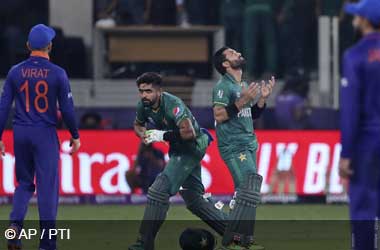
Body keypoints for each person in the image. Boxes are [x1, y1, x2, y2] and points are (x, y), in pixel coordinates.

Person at [0, 24, 81, 250]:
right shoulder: (58, 73)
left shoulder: (15, 72)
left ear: (27, 46)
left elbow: (3, 106)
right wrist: (75, 135)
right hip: (45, 134)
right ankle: (47, 243)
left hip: (21, 132)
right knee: (47, 189)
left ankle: (14, 230)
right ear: (50, 46)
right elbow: (67, 110)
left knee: (24, 185)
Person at [128, 72, 227, 250]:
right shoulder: (143, 105)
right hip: (177, 149)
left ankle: (143, 245)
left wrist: (160, 135)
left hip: (192, 147)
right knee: (194, 199)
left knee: (158, 191)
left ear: (159, 91)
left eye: (148, 91)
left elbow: (189, 134)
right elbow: (138, 124)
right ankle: (235, 235)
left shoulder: (173, 104)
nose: (144, 95)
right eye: (141, 91)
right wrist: (143, 134)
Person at [212, 47, 275, 250]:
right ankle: (236, 239)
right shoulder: (222, 86)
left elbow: (251, 115)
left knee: (249, 191)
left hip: (248, 142)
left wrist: (262, 99)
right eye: (231, 53)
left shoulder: (244, 85)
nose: (237, 53)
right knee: (248, 190)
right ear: (225, 64)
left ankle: (242, 239)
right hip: (233, 144)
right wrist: (244, 100)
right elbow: (219, 115)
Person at [338, 1, 380, 250]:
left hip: (368, 143)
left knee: (364, 210)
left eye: (357, 16)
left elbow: (351, 110)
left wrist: (346, 154)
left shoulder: (355, 55)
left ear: (365, 21)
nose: (354, 20)